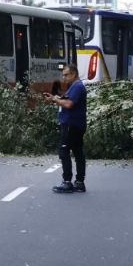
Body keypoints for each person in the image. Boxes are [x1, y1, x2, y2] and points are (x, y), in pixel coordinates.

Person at [48, 64, 88, 193]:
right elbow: (66, 100)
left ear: (74, 74)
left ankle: (67, 182)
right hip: (77, 124)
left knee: (64, 151)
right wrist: (56, 99)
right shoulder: (75, 87)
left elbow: (69, 104)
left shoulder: (77, 87)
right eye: (63, 75)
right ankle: (80, 182)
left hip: (71, 125)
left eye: (66, 75)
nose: (63, 77)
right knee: (78, 152)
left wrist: (55, 99)